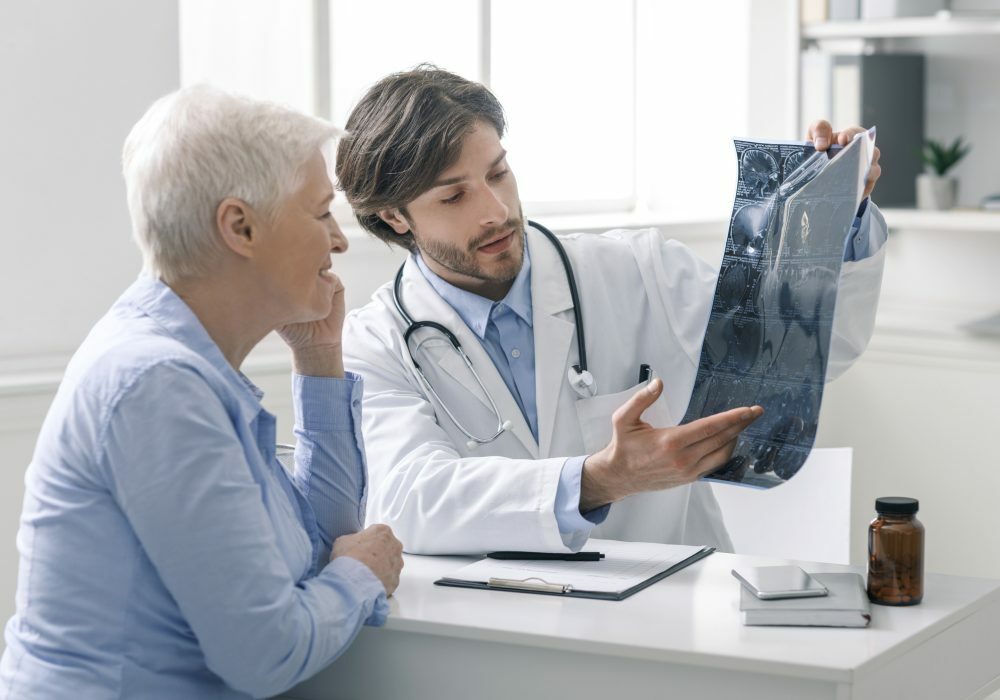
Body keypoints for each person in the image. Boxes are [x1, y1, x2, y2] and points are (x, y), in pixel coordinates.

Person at [336, 66, 886, 555]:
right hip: (498, 633)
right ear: (395, 216)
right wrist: (598, 480)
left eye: (499, 173)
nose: (497, 211)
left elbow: (812, 353)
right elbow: (407, 500)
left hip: (674, 619)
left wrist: (840, 212)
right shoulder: (376, 342)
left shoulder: (637, 270)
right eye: (454, 197)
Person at [0, 85, 403, 699]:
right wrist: (360, 574)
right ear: (240, 226)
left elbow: (319, 543)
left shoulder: (193, 365)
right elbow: (270, 651)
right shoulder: (156, 383)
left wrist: (319, 359)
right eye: (321, 212)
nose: (339, 240)